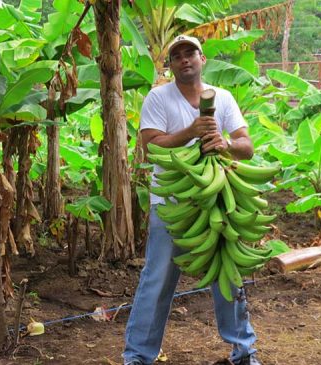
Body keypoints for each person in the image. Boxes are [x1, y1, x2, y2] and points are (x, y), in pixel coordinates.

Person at [122, 35, 260, 365]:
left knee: (229, 276)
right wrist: (192, 131)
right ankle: (138, 356)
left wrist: (224, 144)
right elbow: (150, 146)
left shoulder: (222, 98)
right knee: (157, 280)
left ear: (203, 59)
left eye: (191, 54)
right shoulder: (158, 98)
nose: (185, 60)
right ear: (169, 65)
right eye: (177, 56)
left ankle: (243, 353)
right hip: (172, 201)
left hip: (217, 197)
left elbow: (247, 145)